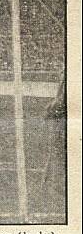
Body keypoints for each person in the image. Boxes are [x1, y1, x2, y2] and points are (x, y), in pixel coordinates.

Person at [40, 72, 66, 204]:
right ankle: (52, 184)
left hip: (62, 117)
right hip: (61, 116)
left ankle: (53, 185)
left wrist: (50, 109)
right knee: (57, 151)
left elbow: (61, 99)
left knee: (58, 151)